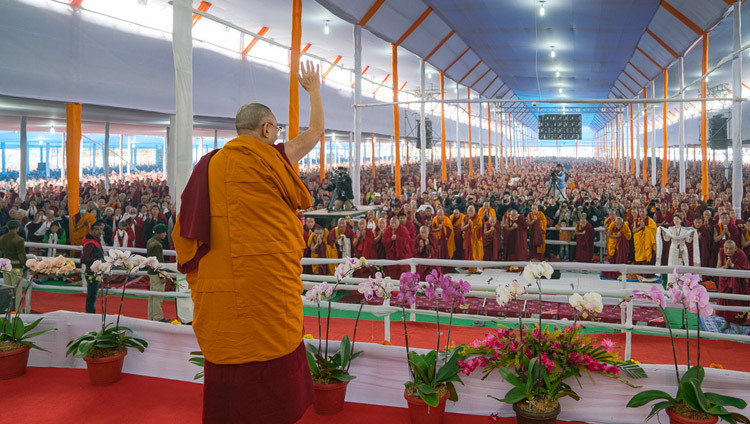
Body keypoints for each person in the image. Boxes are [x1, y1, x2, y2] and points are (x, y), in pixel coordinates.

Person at [172, 61, 323, 423]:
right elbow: (315, 131)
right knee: (272, 349)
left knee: (232, 357)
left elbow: (188, 233)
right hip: (267, 286)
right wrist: (314, 90)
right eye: (276, 128)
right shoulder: (273, 156)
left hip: (223, 290)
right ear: (267, 128)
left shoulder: (208, 165)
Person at [716, 240, 750, 332]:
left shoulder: (741, 254)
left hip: (738, 283)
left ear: (735, 249)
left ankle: (736, 323)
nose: (728, 251)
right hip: (725, 281)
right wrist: (726, 267)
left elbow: (746, 269)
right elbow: (717, 269)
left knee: (736, 301)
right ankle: (726, 322)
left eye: (731, 249)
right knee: (725, 300)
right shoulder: (721, 252)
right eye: (726, 248)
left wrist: (732, 265)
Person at [0, 220, 26, 311]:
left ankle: (6, 309)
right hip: (16, 266)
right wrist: (25, 265)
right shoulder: (19, 240)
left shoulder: (2, 238)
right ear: (17, 228)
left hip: (5, 266)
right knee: (17, 290)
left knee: (7, 288)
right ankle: (17, 310)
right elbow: (21, 255)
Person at [81, 221, 105, 314]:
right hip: (92, 273)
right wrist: (99, 260)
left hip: (93, 272)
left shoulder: (94, 241)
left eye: (100, 229)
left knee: (92, 296)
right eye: (97, 229)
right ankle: (90, 315)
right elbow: (84, 259)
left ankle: (90, 315)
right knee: (92, 296)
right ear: (92, 231)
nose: (99, 231)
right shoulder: (91, 243)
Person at [147, 223, 169, 322]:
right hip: (156, 273)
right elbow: (158, 262)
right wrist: (162, 275)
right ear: (159, 233)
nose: (165, 234)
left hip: (152, 272)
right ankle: (158, 317)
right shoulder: (157, 245)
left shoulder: (150, 241)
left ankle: (151, 316)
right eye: (164, 232)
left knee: (152, 296)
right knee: (158, 296)